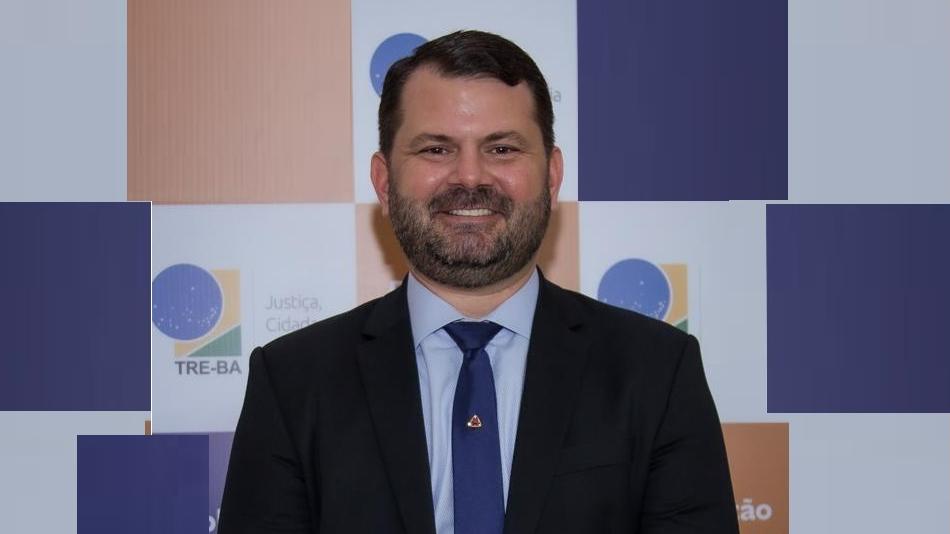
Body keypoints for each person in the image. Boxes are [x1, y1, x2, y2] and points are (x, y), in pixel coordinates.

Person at [219, 30, 738, 534]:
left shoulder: (656, 371)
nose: (470, 177)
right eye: (436, 149)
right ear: (383, 180)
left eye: (502, 149)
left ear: (552, 176)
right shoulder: (293, 381)